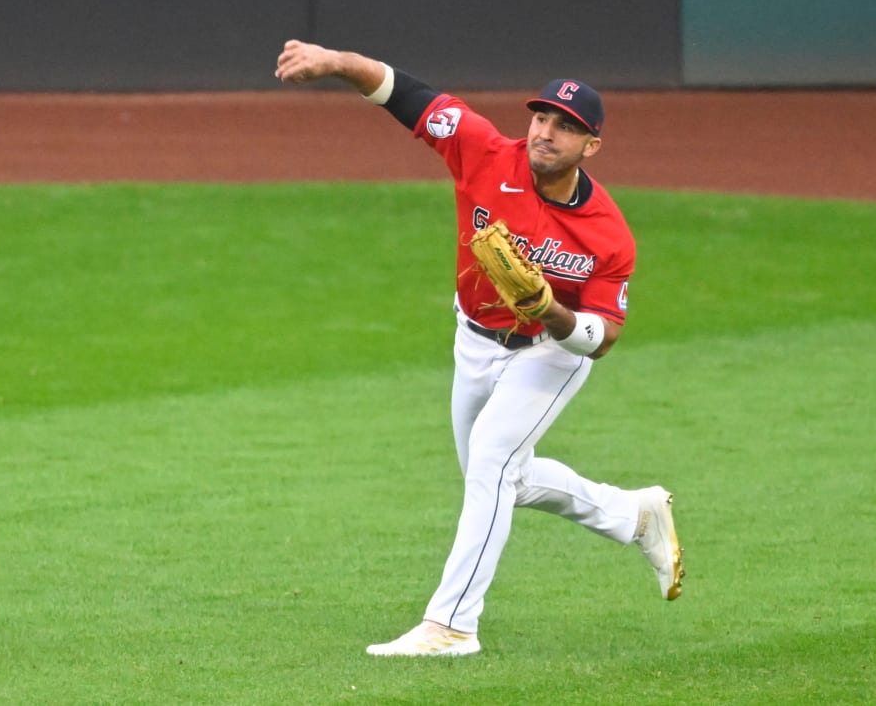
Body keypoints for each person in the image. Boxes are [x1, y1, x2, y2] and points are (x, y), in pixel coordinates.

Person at [274, 40, 684, 657]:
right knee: (497, 480)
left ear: (590, 146)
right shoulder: (485, 149)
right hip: (473, 337)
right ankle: (633, 516)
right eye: (542, 117)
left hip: (551, 352)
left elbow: (603, 337)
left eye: (566, 127)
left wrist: (552, 312)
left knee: (492, 459)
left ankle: (452, 626)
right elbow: (402, 93)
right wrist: (334, 62)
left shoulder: (608, 233)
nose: (546, 132)